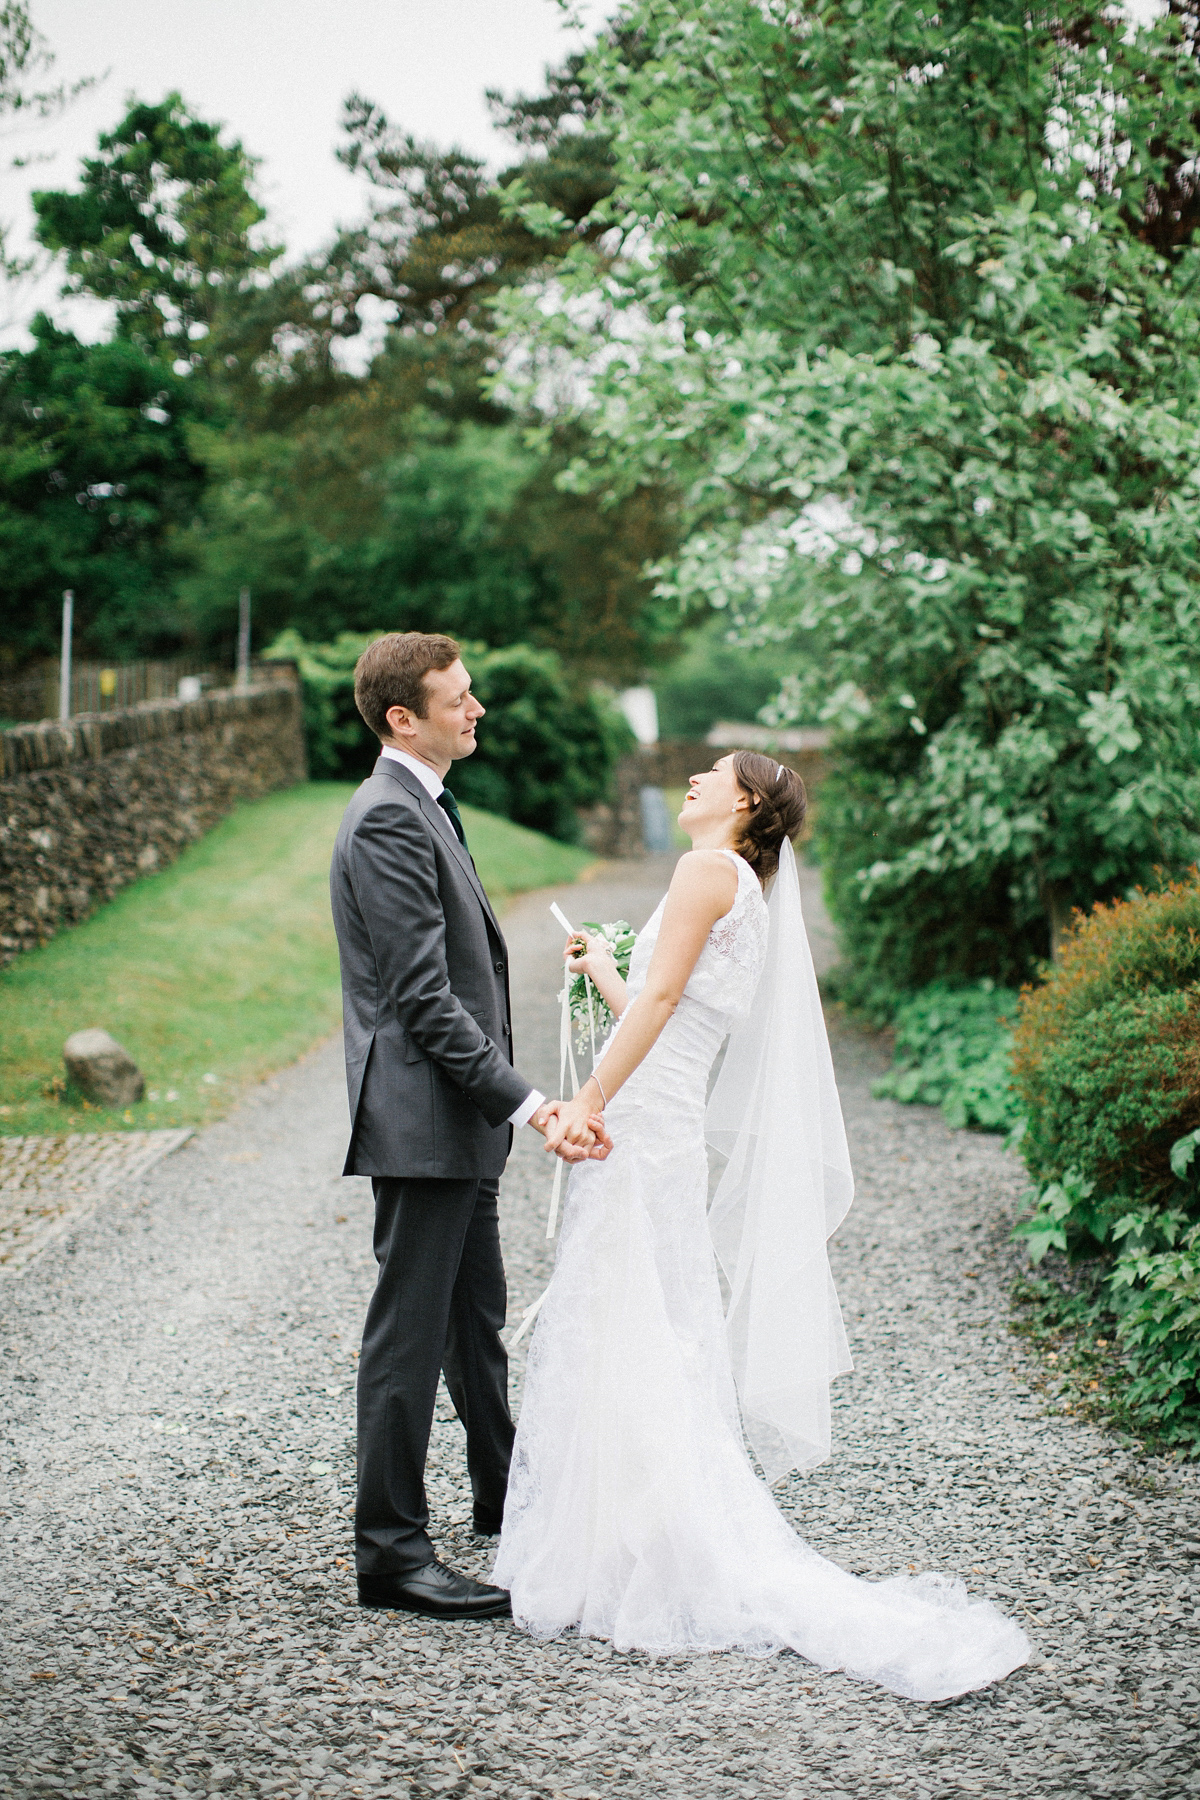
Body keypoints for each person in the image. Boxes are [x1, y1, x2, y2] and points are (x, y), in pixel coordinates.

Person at [495, 750, 1030, 1701]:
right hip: (665, 1123)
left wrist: (585, 1099)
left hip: (641, 1127)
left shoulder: (705, 869)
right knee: (647, 1318)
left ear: (743, 802)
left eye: (710, 774)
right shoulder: (741, 883)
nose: (691, 780)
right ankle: (631, 1534)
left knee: (630, 1316)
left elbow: (663, 1007)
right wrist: (607, 971)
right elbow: (664, 1008)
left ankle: (649, 1547)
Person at [329, 632, 606, 1621]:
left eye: (471, 692)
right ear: (403, 716)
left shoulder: (427, 805)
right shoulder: (387, 820)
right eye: (457, 698)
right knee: (407, 1336)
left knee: (471, 1317)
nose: (476, 708)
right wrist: (529, 1104)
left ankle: (503, 1491)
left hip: (453, 1120)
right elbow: (422, 1000)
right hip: (422, 1115)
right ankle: (391, 1552)